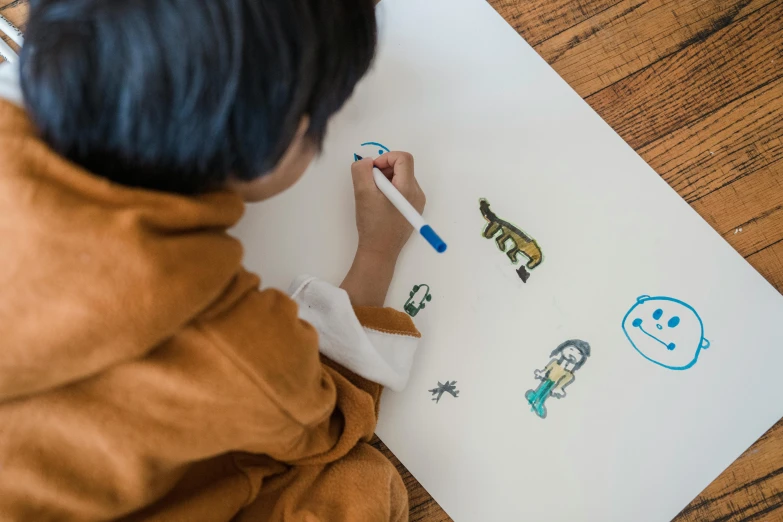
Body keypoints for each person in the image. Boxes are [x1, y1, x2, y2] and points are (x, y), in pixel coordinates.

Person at [0, 0, 425, 520]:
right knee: (357, 488)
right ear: (278, 144)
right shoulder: (235, 344)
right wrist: (377, 252)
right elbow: (331, 418)